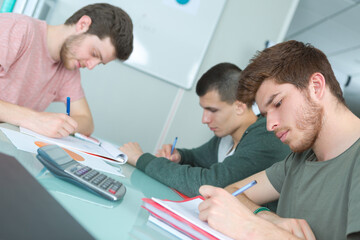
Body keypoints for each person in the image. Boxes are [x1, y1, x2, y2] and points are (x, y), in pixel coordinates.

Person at [198, 40, 360, 240]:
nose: (269, 125)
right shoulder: (298, 160)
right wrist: (267, 217)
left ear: (316, 87)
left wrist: (255, 229)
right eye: (265, 115)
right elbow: (234, 191)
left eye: (278, 103)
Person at [120, 63, 290, 199]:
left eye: (213, 110)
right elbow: (197, 157)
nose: (205, 119)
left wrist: (142, 159)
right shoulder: (227, 136)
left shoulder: (265, 137)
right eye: (203, 110)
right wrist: (179, 155)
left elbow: (208, 183)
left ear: (239, 106)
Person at [0, 3, 133, 138]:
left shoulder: (68, 69)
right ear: (82, 24)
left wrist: (58, 123)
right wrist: (34, 119)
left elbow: (87, 123)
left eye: (99, 64)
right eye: (94, 53)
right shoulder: (16, 28)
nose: (91, 66)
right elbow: (34, 119)